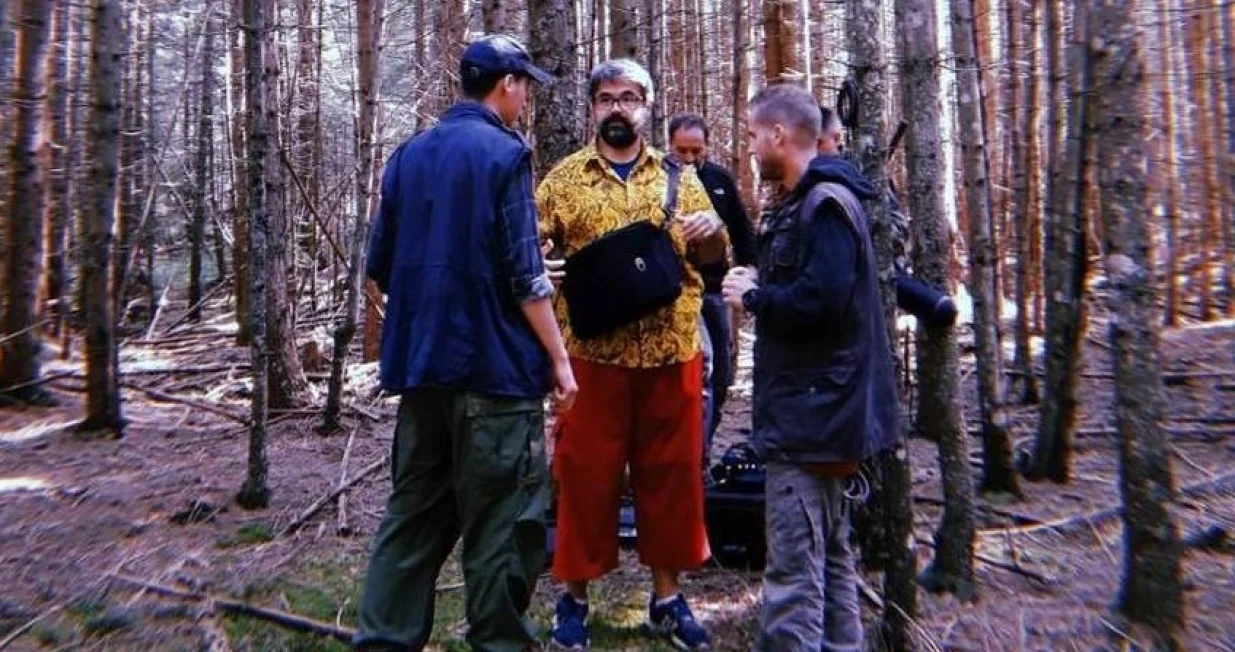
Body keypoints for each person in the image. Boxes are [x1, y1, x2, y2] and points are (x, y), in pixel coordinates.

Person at [356, 34, 577, 652]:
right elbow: (525, 277)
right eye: (524, 85)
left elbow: (383, 264)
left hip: (423, 374)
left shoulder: (408, 155)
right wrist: (561, 363)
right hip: (495, 380)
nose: (527, 97)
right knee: (503, 528)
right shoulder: (505, 155)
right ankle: (500, 643)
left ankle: (381, 641)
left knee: (412, 522)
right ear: (506, 85)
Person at [536, 59, 728, 651]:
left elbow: (715, 266)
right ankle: (573, 601)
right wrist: (538, 267)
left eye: (628, 98)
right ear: (591, 108)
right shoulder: (562, 180)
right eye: (605, 98)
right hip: (591, 358)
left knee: (672, 479)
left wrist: (713, 235)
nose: (617, 108)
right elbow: (526, 251)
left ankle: (667, 599)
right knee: (584, 478)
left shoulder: (680, 176)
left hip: (672, 354)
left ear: (646, 107)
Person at [722, 84, 900, 651]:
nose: (750, 147)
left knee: (794, 573)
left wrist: (754, 298)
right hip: (819, 413)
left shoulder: (824, 206)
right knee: (831, 556)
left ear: (778, 135)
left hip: (816, 418)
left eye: (753, 135)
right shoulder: (810, 201)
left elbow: (823, 301)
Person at [667, 114, 757, 464]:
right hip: (675, 292)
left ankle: (704, 444)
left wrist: (749, 270)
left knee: (721, 373)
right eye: (681, 151)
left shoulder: (719, 179)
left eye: (696, 150)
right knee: (696, 370)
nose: (689, 159)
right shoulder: (658, 179)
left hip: (715, 289)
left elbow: (741, 229)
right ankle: (690, 457)